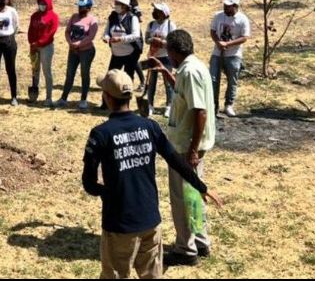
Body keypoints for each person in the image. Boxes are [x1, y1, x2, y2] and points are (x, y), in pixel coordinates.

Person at [82, 69, 222, 279]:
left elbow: (89, 183)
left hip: (119, 223)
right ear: (129, 97)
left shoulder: (101, 134)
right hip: (150, 221)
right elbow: (176, 160)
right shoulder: (150, 126)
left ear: (107, 97)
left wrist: (107, 193)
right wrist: (201, 186)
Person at [149, 30, 218, 267]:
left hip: (185, 148)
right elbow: (184, 96)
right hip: (188, 145)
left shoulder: (190, 71)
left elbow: (200, 112)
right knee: (193, 195)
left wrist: (192, 150)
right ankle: (200, 241)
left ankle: (186, 249)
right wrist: (166, 73)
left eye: (168, 52)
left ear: (174, 51)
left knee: (182, 199)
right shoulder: (192, 67)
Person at [209, 0, 250, 118]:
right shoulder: (218, 16)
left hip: (234, 54)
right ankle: (214, 105)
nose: (225, 8)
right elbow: (213, 31)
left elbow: (245, 37)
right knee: (213, 79)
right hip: (217, 53)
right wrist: (218, 42)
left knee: (232, 80)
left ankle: (229, 104)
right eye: (225, 5)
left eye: (228, 6)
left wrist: (228, 44)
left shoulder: (242, 19)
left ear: (235, 6)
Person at [58, 0, 99, 110]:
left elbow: (91, 37)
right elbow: (67, 32)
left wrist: (79, 44)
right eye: (79, 6)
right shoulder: (74, 17)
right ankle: (63, 98)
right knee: (70, 73)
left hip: (86, 51)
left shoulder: (92, 20)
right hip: (73, 51)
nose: (80, 9)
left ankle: (83, 99)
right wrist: (70, 42)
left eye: (83, 7)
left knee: (84, 74)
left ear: (89, 7)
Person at [145, 3, 177, 119]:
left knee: (168, 83)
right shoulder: (151, 24)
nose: (154, 12)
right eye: (154, 10)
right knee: (151, 82)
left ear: (164, 13)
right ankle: (150, 105)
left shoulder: (170, 25)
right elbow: (146, 39)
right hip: (154, 56)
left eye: (157, 11)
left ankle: (169, 105)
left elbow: (173, 42)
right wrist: (152, 40)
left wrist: (162, 43)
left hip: (166, 57)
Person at [27, 0, 59, 107]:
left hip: (46, 47)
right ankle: (34, 94)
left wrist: (39, 42)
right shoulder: (34, 16)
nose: (41, 5)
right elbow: (30, 30)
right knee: (35, 71)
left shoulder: (53, 16)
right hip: (34, 47)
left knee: (46, 71)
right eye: (40, 3)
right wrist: (32, 43)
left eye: (44, 3)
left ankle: (48, 97)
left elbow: (51, 33)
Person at [102, 0, 142, 81]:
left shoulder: (132, 18)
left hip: (129, 54)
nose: (115, 6)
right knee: (111, 78)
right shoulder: (112, 17)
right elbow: (106, 32)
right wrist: (106, 37)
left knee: (128, 79)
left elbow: (136, 35)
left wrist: (120, 39)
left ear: (124, 6)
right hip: (116, 54)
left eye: (117, 4)